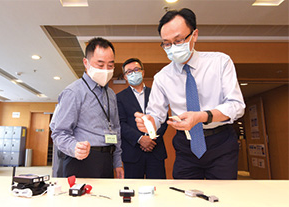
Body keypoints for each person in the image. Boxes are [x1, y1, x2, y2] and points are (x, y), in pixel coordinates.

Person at [134, 8, 245, 180]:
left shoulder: (220, 62)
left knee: (224, 198)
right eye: (166, 43)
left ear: (194, 35)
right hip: (186, 146)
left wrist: (201, 116)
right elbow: (156, 115)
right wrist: (149, 123)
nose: (172, 48)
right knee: (185, 197)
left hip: (220, 142)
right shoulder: (162, 77)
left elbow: (236, 106)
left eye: (178, 40)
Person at [50, 37, 124, 179]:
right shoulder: (73, 92)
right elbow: (59, 133)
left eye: (110, 65)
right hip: (81, 160)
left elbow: (116, 130)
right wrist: (74, 147)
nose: (106, 70)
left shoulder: (111, 95)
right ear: (86, 63)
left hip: (107, 159)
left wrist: (117, 162)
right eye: (100, 65)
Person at [116, 58, 168, 179]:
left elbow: (163, 119)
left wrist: (151, 138)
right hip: (132, 153)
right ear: (125, 77)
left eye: (136, 69)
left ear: (143, 72)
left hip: (156, 150)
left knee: (159, 190)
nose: (133, 73)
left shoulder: (156, 93)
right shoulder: (119, 97)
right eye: (129, 72)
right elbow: (120, 124)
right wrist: (140, 139)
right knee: (133, 191)